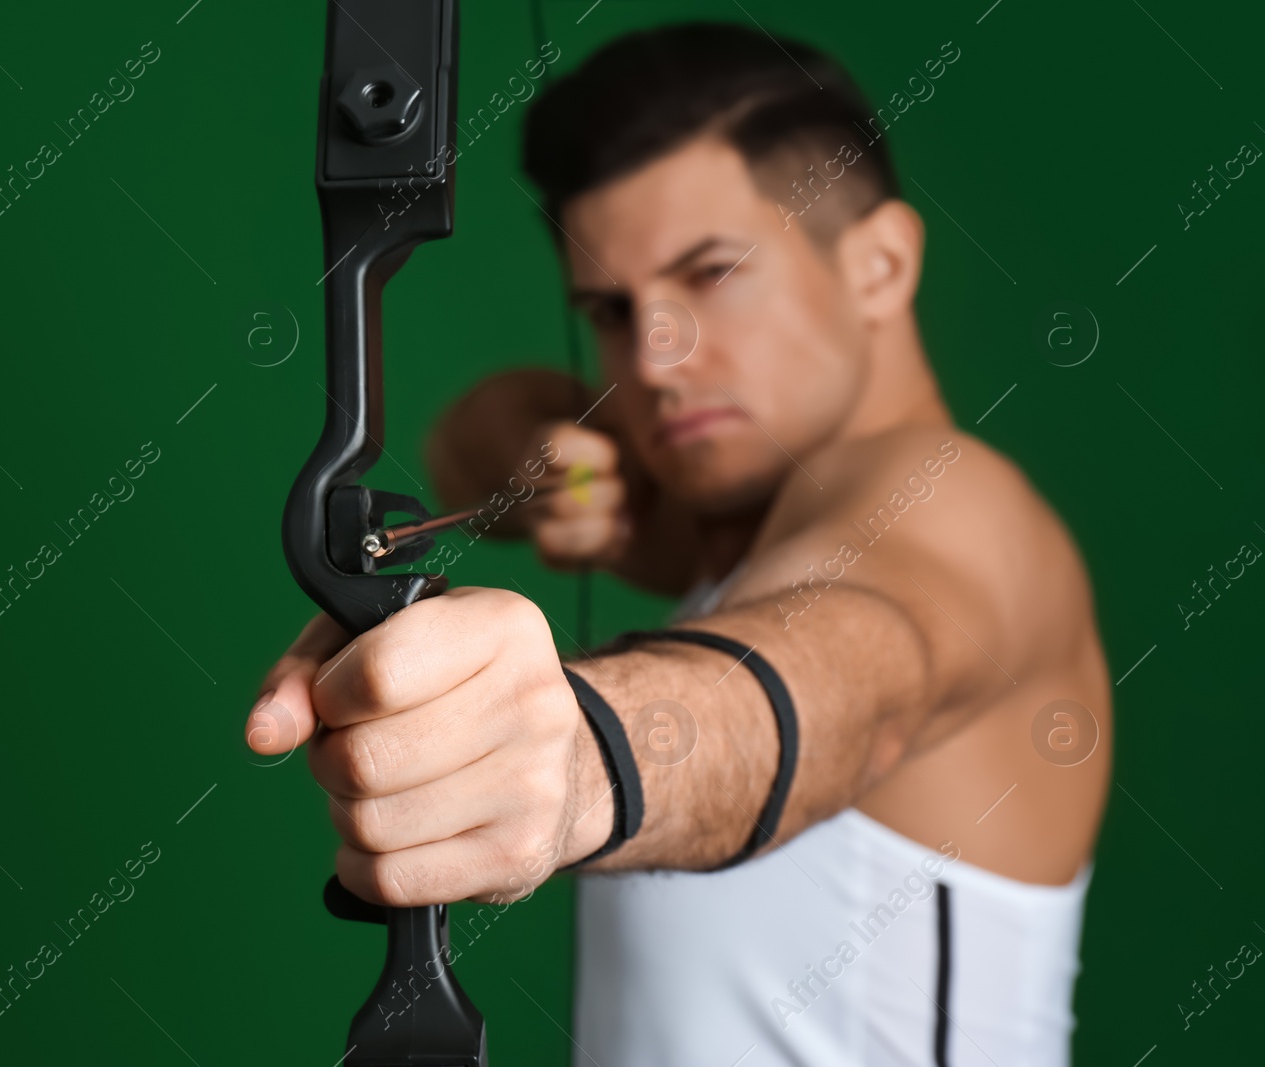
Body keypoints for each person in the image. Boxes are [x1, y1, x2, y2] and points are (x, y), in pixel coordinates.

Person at [246, 21, 1109, 1066]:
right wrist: (539, 462)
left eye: (713, 274)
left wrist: (576, 754)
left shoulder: (953, 509)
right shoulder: (722, 524)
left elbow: (844, 680)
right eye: (612, 310)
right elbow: (478, 427)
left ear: (878, 264)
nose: (654, 359)